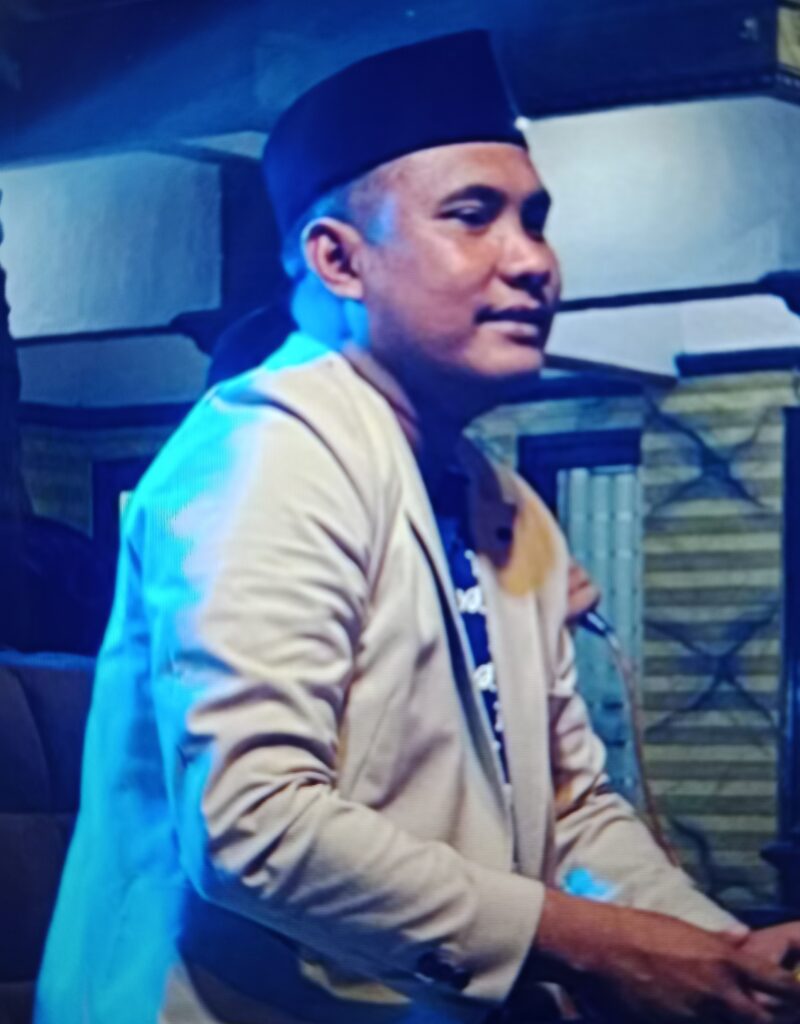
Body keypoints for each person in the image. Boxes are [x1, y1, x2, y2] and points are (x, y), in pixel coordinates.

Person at [36, 30, 800, 1024]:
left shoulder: (502, 500)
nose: (533, 262)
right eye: (473, 216)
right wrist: (601, 945)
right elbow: (252, 825)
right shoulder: (268, 450)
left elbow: (571, 809)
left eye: (535, 221)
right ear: (338, 259)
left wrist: (723, 957)